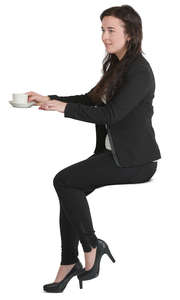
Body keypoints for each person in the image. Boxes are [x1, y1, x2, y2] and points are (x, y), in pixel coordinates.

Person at [25, 5, 161, 293]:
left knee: (64, 180)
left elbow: (110, 114)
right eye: (102, 29)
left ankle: (91, 246)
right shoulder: (116, 65)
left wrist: (63, 109)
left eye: (111, 30)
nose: (104, 36)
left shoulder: (140, 72)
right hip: (113, 155)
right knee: (69, 190)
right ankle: (68, 263)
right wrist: (49, 98)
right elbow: (92, 100)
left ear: (131, 34)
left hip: (137, 161)